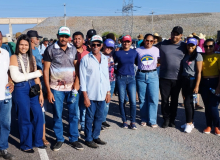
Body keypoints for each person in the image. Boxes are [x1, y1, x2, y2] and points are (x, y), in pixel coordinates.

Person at [43, 26, 83, 151]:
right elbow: (45, 71)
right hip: (56, 89)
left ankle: (74, 139)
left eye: (66, 36)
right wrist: (49, 91)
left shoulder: (73, 49)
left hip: (72, 89)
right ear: (57, 36)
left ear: (69, 37)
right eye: (62, 36)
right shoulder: (50, 49)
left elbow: (77, 68)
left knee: (73, 114)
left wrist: (77, 83)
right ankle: (59, 139)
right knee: (57, 115)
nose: (64, 38)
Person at [10, 34, 46, 153]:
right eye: (21, 44)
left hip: (33, 87)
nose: (24, 47)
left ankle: (38, 141)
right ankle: (26, 145)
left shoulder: (32, 58)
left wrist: (40, 93)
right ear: (18, 45)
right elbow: (16, 77)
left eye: (26, 45)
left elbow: (37, 78)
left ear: (29, 46)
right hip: (21, 88)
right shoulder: (14, 57)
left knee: (38, 115)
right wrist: (36, 74)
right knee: (24, 116)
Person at [80, 35, 110, 148]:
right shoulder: (85, 59)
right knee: (89, 118)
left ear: (101, 45)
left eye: (98, 44)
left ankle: (96, 136)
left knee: (99, 117)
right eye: (93, 44)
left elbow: (106, 76)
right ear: (90, 45)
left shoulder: (105, 59)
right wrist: (85, 96)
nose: (96, 46)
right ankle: (88, 138)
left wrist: (108, 92)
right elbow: (82, 79)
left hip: (102, 94)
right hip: (91, 95)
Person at [156, 26, 186, 128]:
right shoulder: (162, 44)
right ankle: (166, 119)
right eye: (173, 33)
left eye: (177, 34)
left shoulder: (184, 46)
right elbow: (150, 49)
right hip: (164, 77)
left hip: (178, 79)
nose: (174, 36)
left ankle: (172, 119)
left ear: (181, 36)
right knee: (164, 100)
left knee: (174, 100)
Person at [114, 35, 138, 130]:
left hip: (131, 78)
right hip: (121, 78)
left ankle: (133, 121)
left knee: (132, 101)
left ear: (131, 42)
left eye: (128, 42)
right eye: (124, 41)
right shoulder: (118, 53)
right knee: (121, 100)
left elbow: (137, 63)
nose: (126, 43)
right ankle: (124, 120)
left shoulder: (134, 52)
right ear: (121, 42)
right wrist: (117, 73)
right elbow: (112, 64)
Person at [136, 34, 160, 128]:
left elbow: (159, 60)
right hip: (141, 75)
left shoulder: (156, 50)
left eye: (151, 41)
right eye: (147, 40)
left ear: (153, 41)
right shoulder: (138, 50)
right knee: (142, 99)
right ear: (144, 40)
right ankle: (144, 119)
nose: (149, 42)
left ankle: (152, 120)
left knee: (153, 98)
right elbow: (135, 61)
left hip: (153, 75)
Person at [180, 38, 203, 133]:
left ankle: (188, 123)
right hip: (184, 80)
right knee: (188, 102)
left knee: (187, 103)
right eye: (189, 45)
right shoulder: (185, 55)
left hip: (192, 80)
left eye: (192, 45)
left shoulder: (198, 56)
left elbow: (199, 72)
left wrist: (197, 85)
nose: (190, 47)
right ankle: (190, 122)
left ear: (196, 46)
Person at [200, 39, 220, 135]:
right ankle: (208, 125)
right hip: (204, 83)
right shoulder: (201, 57)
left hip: (215, 82)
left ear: (214, 46)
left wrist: (219, 87)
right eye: (206, 46)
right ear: (203, 46)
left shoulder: (218, 56)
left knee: (213, 106)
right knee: (207, 106)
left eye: (210, 46)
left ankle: (217, 126)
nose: (208, 48)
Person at [0, 31, 15, 160]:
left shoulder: (5, 53)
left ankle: (3, 148)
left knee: (5, 123)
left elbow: (7, 71)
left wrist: (11, 81)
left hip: (5, 96)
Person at [72, 31, 89, 134]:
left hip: (85, 84)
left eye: (79, 38)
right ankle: (75, 129)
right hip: (73, 85)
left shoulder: (87, 53)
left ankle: (83, 126)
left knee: (84, 107)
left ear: (83, 40)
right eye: (75, 38)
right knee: (75, 107)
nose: (77, 40)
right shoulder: (69, 52)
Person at [102, 39, 116, 130]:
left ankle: (103, 119)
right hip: (103, 82)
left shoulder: (112, 55)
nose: (109, 49)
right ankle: (98, 121)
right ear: (103, 45)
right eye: (107, 46)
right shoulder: (99, 55)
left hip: (112, 81)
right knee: (102, 103)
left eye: (111, 48)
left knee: (107, 103)